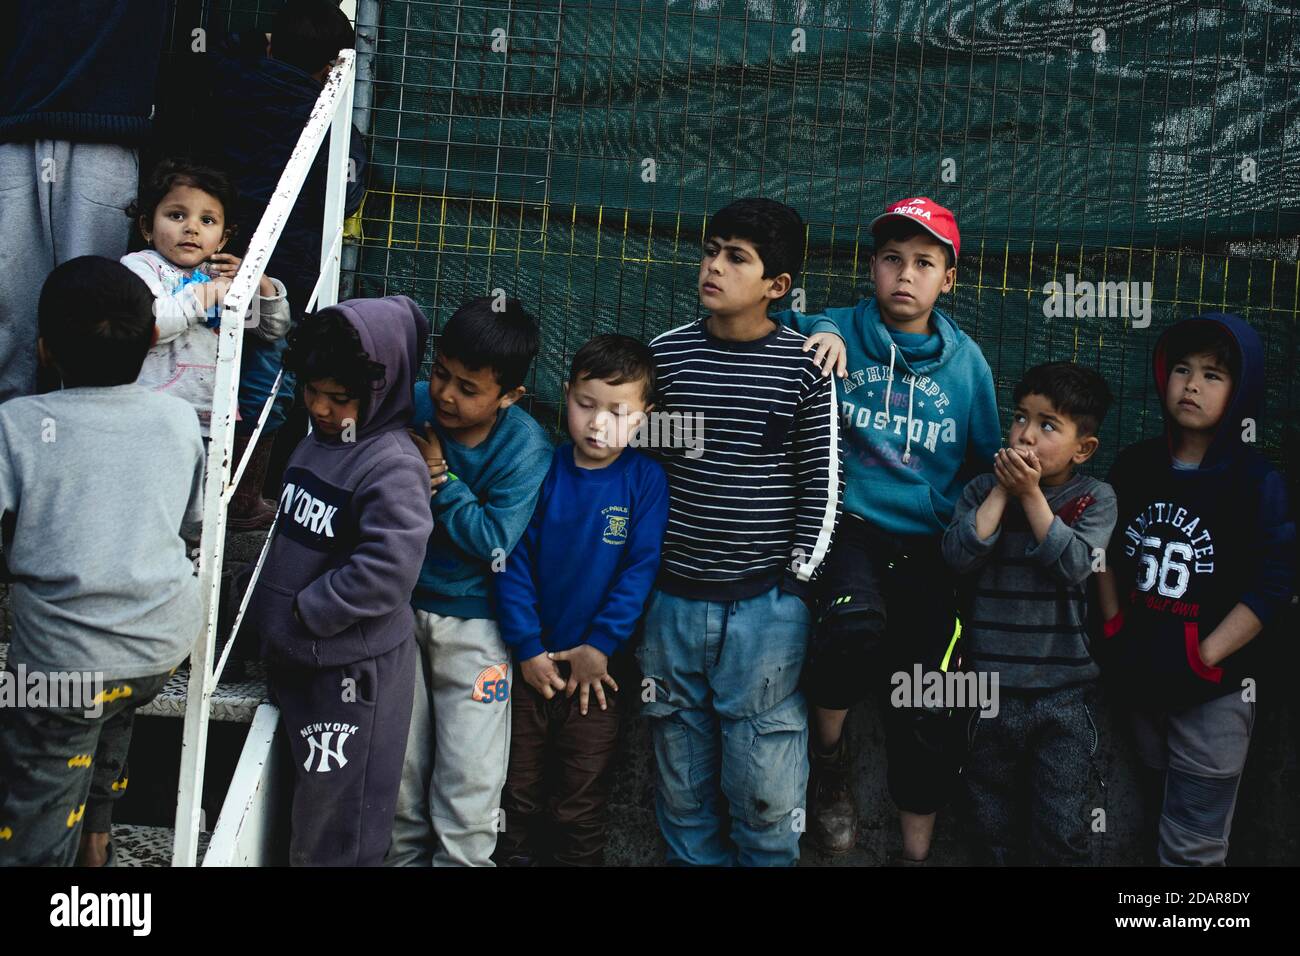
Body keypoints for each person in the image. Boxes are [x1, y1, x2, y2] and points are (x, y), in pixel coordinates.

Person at [775, 196, 1001, 862]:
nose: (906, 275)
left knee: (932, 695)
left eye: (924, 263)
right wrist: (821, 325)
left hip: (926, 544)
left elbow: (984, 462)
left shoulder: (968, 367)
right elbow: (769, 327)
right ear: (872, 267)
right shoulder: (839, 328)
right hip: (849, 525)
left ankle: (914, 855)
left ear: (948, 279)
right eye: (892, 259)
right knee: (853, 627)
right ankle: (830, 763)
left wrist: (967, 537)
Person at [639, 197, 842, 866]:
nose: (713, 266)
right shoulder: (664, 359)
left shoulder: (804, 367)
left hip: (765, 609)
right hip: (671, 601)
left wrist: (795, 587)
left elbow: (823, 483)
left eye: (736, 257)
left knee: (765, 789)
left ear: (777, 287)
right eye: (711, 249)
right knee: (682, 787)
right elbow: (640, 472)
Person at [0, 257, 204, 867]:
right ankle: (96, 844)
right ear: (150, 340)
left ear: (42, 349)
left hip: (62, 667)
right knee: (108, 699)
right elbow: (188, 524)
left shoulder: (16, 425)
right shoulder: (175, 417)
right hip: (159, 646)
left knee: (36, 791)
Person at [1096, 314, 1296, 866]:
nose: (1191, 385)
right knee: (1158, 809)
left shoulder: (1257, 483)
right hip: (1139, 680)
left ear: (1242, 389)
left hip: (1214, 693)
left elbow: (1274, 583)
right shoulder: (1135, 466)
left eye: (1213, 374)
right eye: (1181, 369)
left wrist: (1202, 658)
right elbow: (1103, 553)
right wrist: (1115, 628)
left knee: (1194, 843)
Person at [249, 295, 433, 866]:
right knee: (306, 819)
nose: (322, 408)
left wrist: (309, 610)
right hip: (304, 664)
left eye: (340, 398)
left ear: (380, 389)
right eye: (312, 391)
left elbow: (388, 569)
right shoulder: (313, 442)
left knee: (341, 833)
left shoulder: (392, 463)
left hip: (353, 679)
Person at [385, 296, 553, 867]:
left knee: (469, 779)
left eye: (469, 387)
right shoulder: (409, 407)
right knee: (399, 770)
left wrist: (440, 476)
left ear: (509, 396)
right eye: (440, 374)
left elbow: (494, 542)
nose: (447, 395)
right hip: (397, 613)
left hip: (479, 627)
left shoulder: (525, 446)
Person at [494, 334, 669, 866]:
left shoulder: (646, 481)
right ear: (565, 394)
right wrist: (526, 649)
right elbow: (512, 561)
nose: (597, 423)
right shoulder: (541, 471)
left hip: (600, 679)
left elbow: (639, 571)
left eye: (618, 412)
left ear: (644, 417)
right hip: (530, 670)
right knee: (515, 797)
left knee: (579, 805)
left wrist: (601, 645)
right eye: (585, 404)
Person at [942, 361, 1117, 864]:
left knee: (1060, 826)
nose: (1025, 434)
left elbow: (1075, 565)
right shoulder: (980, 492)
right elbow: (957, 556)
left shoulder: (1093, 499)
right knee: (988, 821)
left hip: (1062, 696)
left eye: (1047, 426)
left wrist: (1031, 496)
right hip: (987, 690)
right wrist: (1002, 490)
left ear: (1083, 448)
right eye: (1020, 417)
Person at [0, 0, 169, 404]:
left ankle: (80, 440)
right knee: (10, 311)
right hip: (21, 128)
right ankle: (12, 446)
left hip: (99, 134)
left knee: (94, 309)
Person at [123, 161, 290, 492]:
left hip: (212, 415)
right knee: (153, 491)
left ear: (224, 237)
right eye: (176, 216)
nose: (192, 228)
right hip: (155, 411)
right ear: (147, 226)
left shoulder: (223, 275)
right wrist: (203, 296)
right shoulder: (142, 267)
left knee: (199, 503)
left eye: (207, 220)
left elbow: (270, 330)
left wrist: (261, 284)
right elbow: (150, 322)